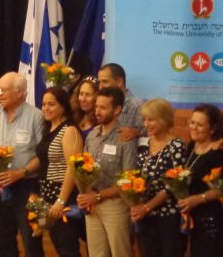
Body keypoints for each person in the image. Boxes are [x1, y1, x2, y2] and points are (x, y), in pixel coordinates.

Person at [0, 72, 44, 257]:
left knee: (31, 239)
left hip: (26, 185)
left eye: (4, 90)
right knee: (2, 240)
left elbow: (42, 155)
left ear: (20, 92)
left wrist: (21, 172)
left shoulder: (36, 116)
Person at [77, 87, 137, 257]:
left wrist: (98, 196)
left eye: (103, 108)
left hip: (115, 204)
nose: (97, 111)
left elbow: (128, 181)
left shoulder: (125, 138)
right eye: (96, 106)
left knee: (120, 253)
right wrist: (85, 193)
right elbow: (84, 169)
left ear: (117, 109)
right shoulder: (91, 136)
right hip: (92, 204)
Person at [29, 87, 83, 257]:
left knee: (68, 249)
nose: (46, 108)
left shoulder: (69, 130)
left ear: (63, 106)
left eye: (51, 104)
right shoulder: (49, 128)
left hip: (63, 196)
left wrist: (61, 201)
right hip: (48, 196)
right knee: (60, 247)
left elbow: (73, 167)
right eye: (44, 104)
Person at [129, 98, 186, 257]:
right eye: (144, 119)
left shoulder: (176, 145)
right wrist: (134, 202)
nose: (146, 124)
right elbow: (137, 177)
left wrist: (147, 208)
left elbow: (173, 185)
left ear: (164, 119)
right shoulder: (143, 144)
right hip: (145, 217)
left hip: (168, 217)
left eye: (151, 119)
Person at [176, 104, 223, 256]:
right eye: (192, 122)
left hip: (211, 220)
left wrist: (198, 199)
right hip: (192, 217)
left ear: (213, 129)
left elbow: (220, 189)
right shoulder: (191, 146)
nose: (194, 127)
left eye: (200, 124)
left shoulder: (218, 152)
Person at [97, 63, 144, 141]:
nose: (100, 87)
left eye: (105, 82)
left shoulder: (137, 105)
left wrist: (137, 132)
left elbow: (149, 133)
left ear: (119, 82)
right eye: (99, 82)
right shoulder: (99, 102)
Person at [71, 76, 97, 142]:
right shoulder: (72, 116)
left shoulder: (100, 122)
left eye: (88, 95)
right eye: (81, 94)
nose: (83, 99)